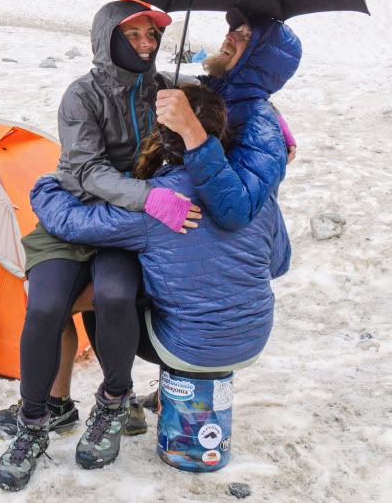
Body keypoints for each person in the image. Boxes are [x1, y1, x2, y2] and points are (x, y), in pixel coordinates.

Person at [0, 0, 199, 492]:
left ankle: (112, 403)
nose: (147, 44)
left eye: (153, 35)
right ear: (108, 39)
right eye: (134, 36)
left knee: (113, 296)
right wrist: (148, 196)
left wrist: (275, 127)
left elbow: (217, 107)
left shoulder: (164, 93)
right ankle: (34, 423)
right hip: (77, 215)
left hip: (124, 229)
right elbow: (84, 169)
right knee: (44, 307)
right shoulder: (80, 96)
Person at [30, 82, 290, 386]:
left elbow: (73, 223)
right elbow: (278, 264)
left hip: (186, 349)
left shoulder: (158, 201)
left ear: (162, 135)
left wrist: (45, 188)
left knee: (107, 302)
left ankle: (113, 398)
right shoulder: (255, 192)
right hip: (252, 342)